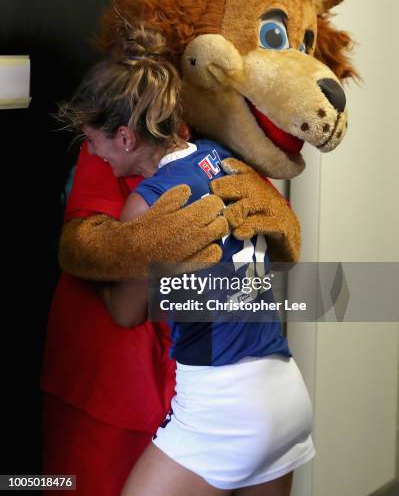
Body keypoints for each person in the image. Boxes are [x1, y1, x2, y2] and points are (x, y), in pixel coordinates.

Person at [59, 26, 315, 496]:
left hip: (224, 406)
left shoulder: (151, 200)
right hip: (286, 394)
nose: (92, 153)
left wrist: (94, 271)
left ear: (125, 138)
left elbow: (126, 311)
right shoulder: (221, 157)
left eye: (94, 141)